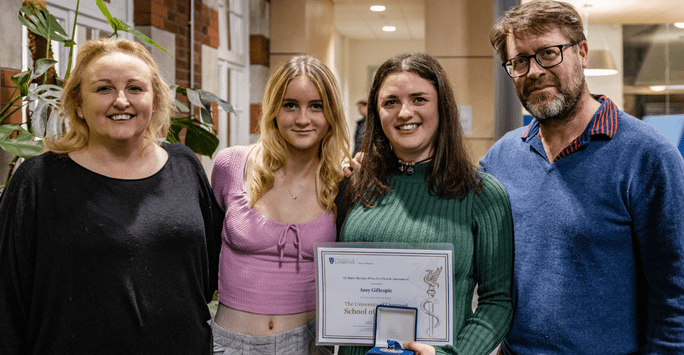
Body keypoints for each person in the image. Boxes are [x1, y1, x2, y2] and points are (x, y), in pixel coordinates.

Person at [481, 1, 684, 354]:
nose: (534, 71)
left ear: (583, 52)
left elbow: (676, 289)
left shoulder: (649, 156)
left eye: (548, 53)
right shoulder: (502, 156)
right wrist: (372, 172)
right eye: (520, 61)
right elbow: (446, 199)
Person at [0, 38, 223, 354]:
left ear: (155, 99)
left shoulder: (185, 166)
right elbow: (7, 301)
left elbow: (207, 274)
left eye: (135, 88)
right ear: (78, 103)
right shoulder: (37, 181)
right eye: (103, 89)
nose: (121, 100)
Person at [340, 52, 513, 355]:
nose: (404, 112)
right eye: (390, 102)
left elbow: (497, 301)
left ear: (442, 107)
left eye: (419, 99)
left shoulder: (482, 194)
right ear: (376, 114)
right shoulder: (357, 184)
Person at [210, 55, 350, 355]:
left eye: (316, 106)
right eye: (290, 105)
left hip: (309, 346)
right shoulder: (232, 165)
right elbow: (202, 253)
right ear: (274, 109)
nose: (302, 119)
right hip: (230, 344)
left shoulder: (342, 181)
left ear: (332, 114)